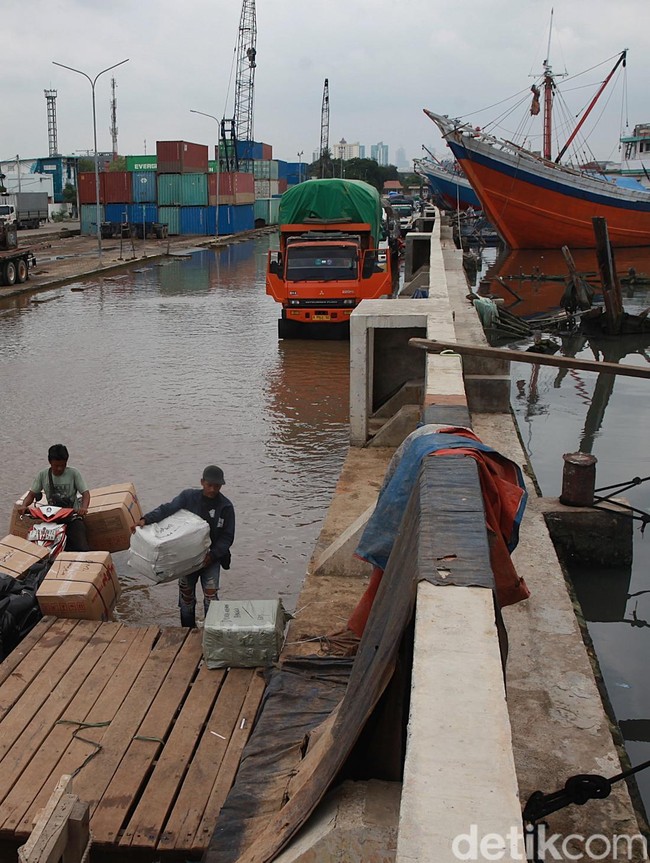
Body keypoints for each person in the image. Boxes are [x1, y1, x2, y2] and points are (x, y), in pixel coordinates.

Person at [134, 465, 235, 628]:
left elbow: (227, 537)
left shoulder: (226, 507)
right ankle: (187, 631)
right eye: (209, 485)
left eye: (217, 486)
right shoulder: (188, 497)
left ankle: (211, 632)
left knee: (211, 595)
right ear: (202, 482)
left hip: (211, 558)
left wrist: (213, 555)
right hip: (186, 558)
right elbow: (167, 509)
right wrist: (146, 519)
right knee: (186, 595)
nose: (212, 489)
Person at [19, 443, 91, 552]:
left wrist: (83, 508)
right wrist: (24, 506)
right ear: (50, 462)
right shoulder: (42, 475)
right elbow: (31, 495)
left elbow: (86, 494)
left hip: (72, 517)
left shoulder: (73, 473)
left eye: (63, 465)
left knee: (81, 546)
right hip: (52, 517)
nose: (60, 468)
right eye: (56, 466)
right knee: (38, 546)